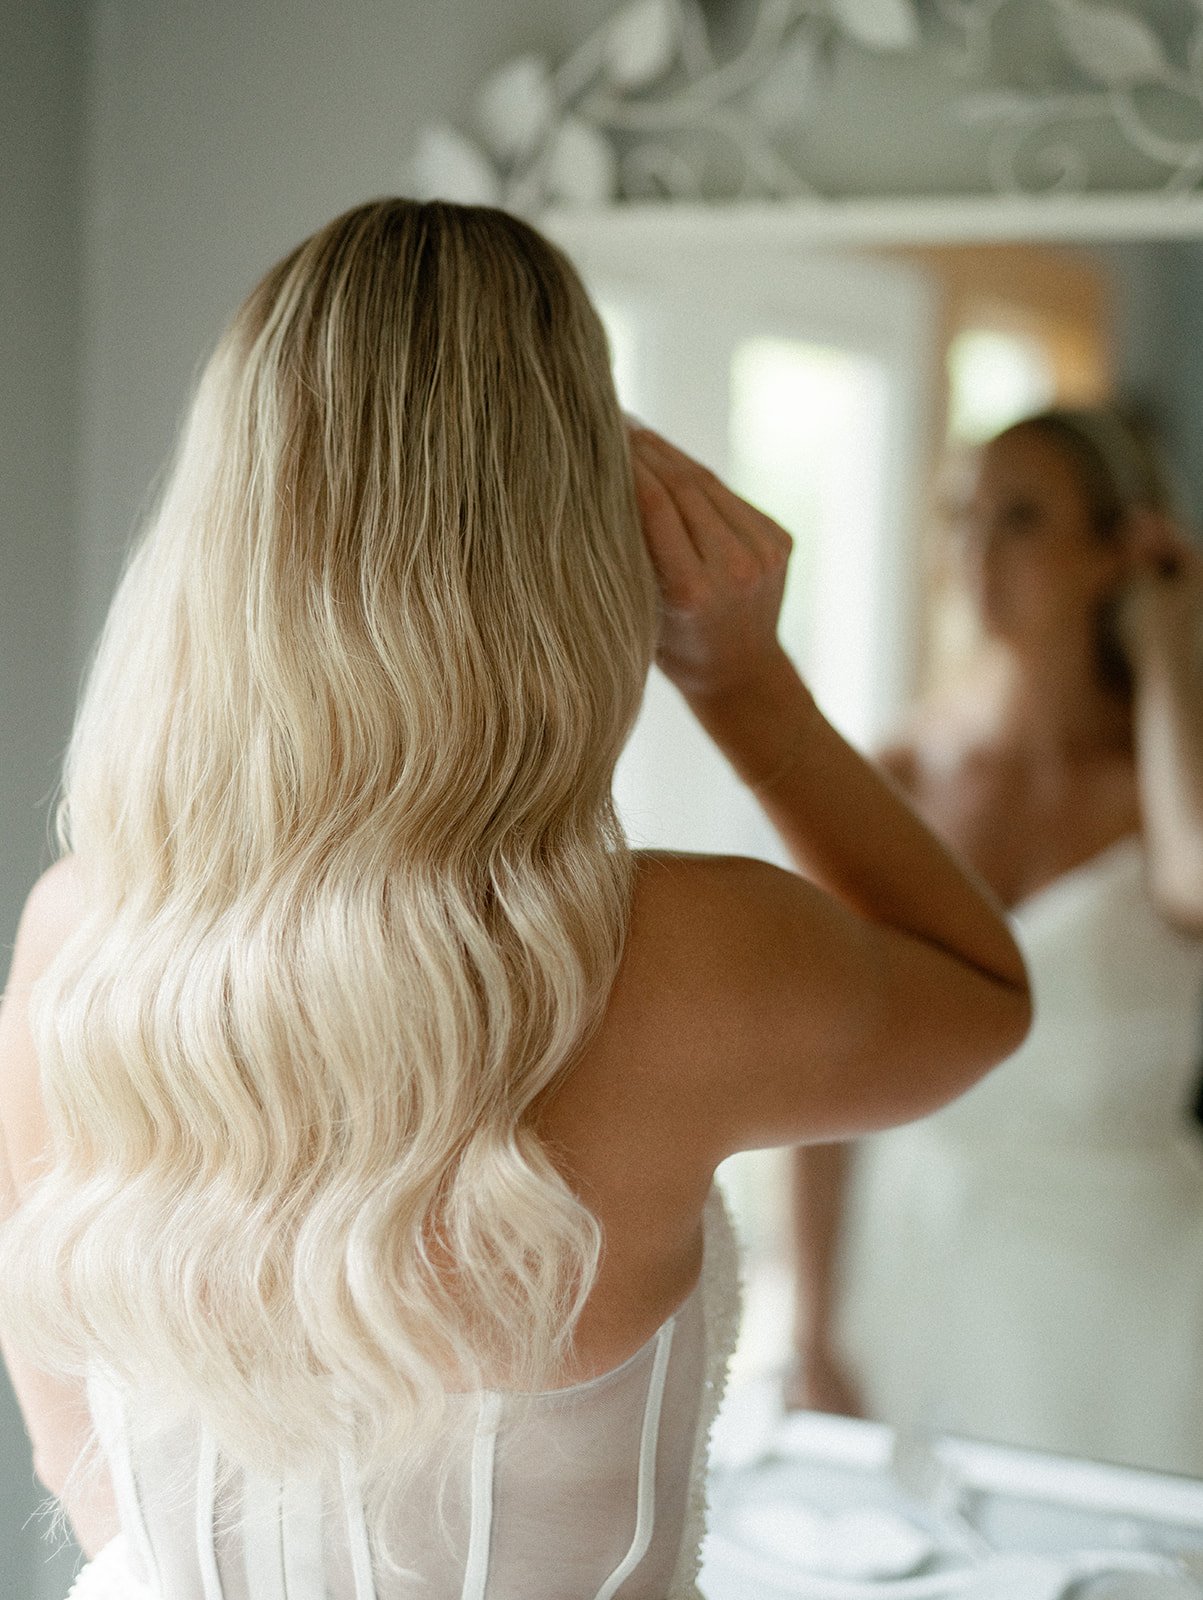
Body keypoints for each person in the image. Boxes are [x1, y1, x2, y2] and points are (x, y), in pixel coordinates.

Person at [0, 198, 1029, 1600]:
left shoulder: (79, 935)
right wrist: (745, 686)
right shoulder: (688, 956)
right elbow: (978, 993)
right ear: (573, 536)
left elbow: (78, 1460)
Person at [788, 406, 1203, 1474]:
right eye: (958, 516)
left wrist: (1171, 652)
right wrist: (812, 1320)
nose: (976, 550)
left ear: (1121, 546)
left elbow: (1193, 882)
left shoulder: (1169, 783)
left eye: (1019, 517)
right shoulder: (897, 775)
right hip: (913, 1259)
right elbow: (818, 1077)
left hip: (1132, 1297)